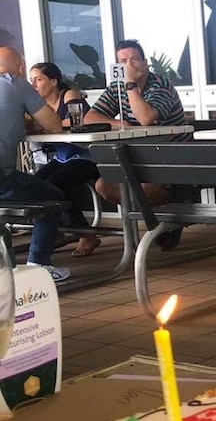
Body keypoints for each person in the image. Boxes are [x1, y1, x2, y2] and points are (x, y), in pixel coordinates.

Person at [85, 39, 188, 251]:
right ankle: (165, 220)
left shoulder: (161, 85)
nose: (129, 65)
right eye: (123, 61)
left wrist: (130, 84)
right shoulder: (117, 87)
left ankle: (169, 217)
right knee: (103, 186)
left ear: (145, 62)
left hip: (171, 159)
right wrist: (117, 123)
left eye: (134, 59)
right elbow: (90, 118)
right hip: (138, 158)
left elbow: (146, 119)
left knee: (140, 187)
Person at [0, 47, 70, 281]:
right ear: (20, 68)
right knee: (52, 197)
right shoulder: (15, 84)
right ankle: (38, 267)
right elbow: (54, 125)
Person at [29, 62, 101, 257]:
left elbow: (79, 119)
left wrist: (48, 124)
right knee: (35, 184)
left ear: (53, 81)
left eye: (39, 79)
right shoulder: (40, 105)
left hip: (87, 155)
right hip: (63, 157)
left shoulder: (69, 94)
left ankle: (84, 233)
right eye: (31, 80)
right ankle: (56, 229)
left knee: (54, 184)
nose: (34, 84)